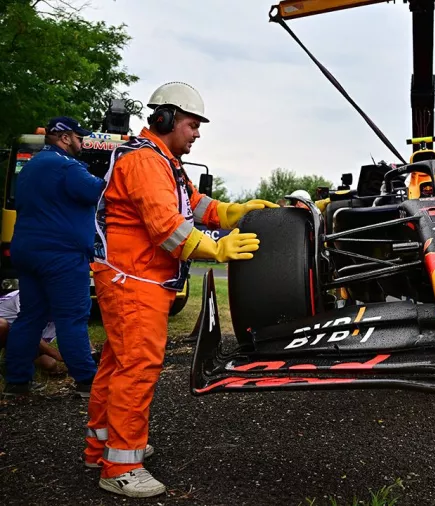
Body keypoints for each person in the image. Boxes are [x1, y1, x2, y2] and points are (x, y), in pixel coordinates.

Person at [83, 81, 275, 498]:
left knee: (117, 365)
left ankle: (102, 447)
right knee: (136, 369)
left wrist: (233, 212)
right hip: (134, 281)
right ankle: (120, 467)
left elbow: (195, 205)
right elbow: (167, 229)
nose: (197, 133)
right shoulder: (146, 163)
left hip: (134, 278)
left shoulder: (163, 162)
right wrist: (216, 248)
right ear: (165, 119)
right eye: (192, 124)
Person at [2, 116, 103, 397]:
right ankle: (86, 380)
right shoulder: (66, 166)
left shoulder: (31, 166)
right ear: (65, 137)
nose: (82, 142)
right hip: (61, 254)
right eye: (79, 137)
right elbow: (98, 191)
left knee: (30, 315)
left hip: (27, 251)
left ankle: (17, 381)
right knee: (71, 317)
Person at [0, 290, 66, 380]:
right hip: (7, 327)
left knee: (50, 364)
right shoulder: (26, 296)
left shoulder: (59, 312)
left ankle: (10, 357)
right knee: (2, 325)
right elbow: (29, 331)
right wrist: (57, 354)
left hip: (16, 335)